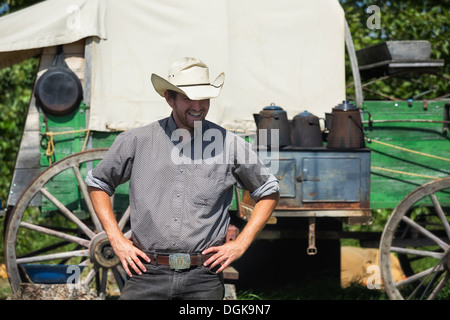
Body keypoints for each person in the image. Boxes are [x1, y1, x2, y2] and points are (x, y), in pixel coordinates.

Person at [85, 57, 279, 300]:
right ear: (169, 98)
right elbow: (98, 183)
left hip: (204, 277)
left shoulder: (230, 145)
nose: (197, 106)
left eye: (204, 98)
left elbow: (268, 191)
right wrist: (117, 240)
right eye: (188, 98)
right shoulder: (137, 141)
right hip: (146, 273)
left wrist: (240, 243)